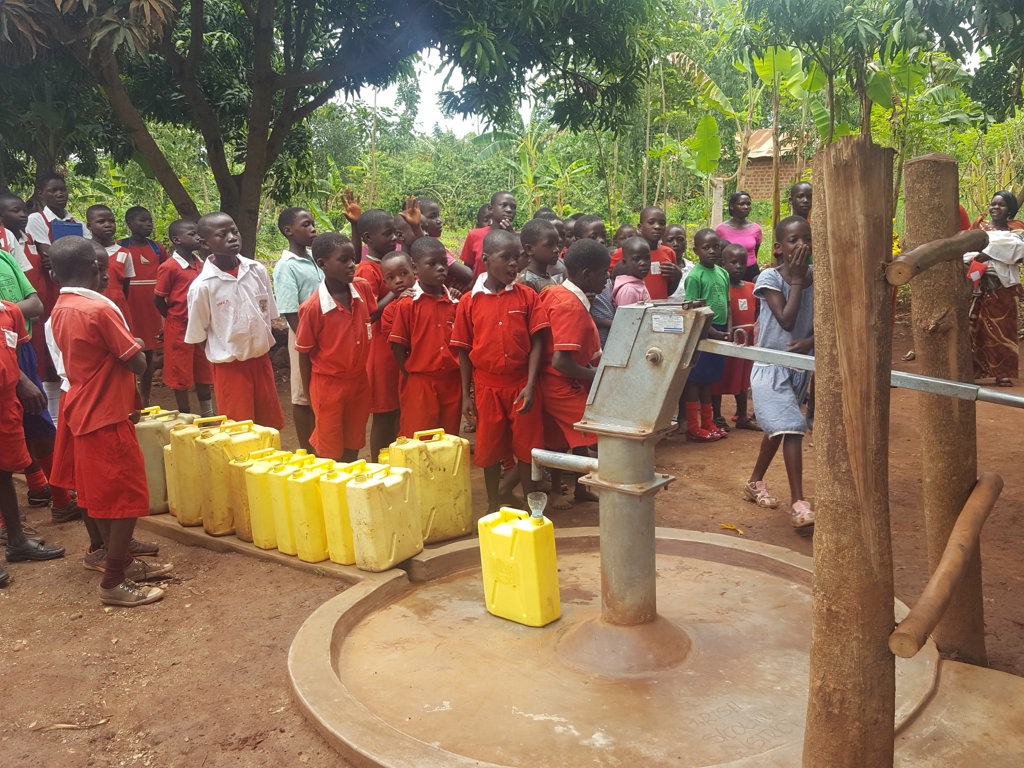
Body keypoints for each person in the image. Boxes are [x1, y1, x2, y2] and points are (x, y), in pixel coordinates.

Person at [49, 236, 171, 605]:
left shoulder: (61, 307)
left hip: (83, 409)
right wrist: (135, 345)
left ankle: (122, 564)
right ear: (94, 267)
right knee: (126, 497)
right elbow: (138, 362)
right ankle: (114, 581)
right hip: (106, 414)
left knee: (101, 496)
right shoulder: (97, 310)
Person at [452, 229, 548, 510]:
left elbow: (538, 341)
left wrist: (530, 385)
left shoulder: (527, 297)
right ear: (485, 259)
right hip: (487, 387)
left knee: (528, 449)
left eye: (516, 257)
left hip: (521, 384)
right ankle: (494, 502)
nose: (513, 264)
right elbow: (463, 350)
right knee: (490, 448)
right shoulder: (469, 302)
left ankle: (531, 505)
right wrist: (467, 395)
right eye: (505, 257)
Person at [745, 216, 815, 529]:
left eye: (806, 239)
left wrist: (809, 342)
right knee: (791, 427)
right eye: (793, 240)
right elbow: (786, 320)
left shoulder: (817, 279)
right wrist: (797, 280)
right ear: (778, 247)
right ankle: (799, 503)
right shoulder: (769, 278)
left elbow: (825, 322)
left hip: (799, 369)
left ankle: (753, 481)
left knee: (778, 429)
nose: (801, 245)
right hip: (769, 368)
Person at [185, 212, 284, 429]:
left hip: (261, 361)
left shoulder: (257, 270)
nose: (232, 237)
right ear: (205, 243)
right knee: (239, 429)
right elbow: (199, 335)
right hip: (229, 368)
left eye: (234, 231)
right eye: (222, 235)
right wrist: (226, 349)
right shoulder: (203, 286)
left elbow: (267, 315)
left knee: (269, 426)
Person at [538, 238, 609, 509]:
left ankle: (579, 487)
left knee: (564, 437)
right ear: (586, 274)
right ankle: (568, 487)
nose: (607, 278)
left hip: (559, 380)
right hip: (559, 383)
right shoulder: (569, 306)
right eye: (604, 273)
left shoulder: (556, 292)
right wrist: (596, 375)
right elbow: (561, 362)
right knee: (589, 429)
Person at [0, 296, 65, 586]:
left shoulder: (9, 311)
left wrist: (22, 381)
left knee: (3, 471)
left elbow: (13, 354)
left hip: (6, 402)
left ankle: (16, 541)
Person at [295, 233, 375, 462]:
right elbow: (304, 354)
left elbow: (369, 317)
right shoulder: (313, 308)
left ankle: (350, 480)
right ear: (323, 264)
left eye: (353, 259)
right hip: (328, 386)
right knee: (329, 449)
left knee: (354, 441)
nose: (352, 265)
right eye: (344, 260)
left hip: (358, 381)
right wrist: (312, 397)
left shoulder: (362, 288)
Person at [390, 237, 462, 437]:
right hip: (419, 382)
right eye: (432, 264)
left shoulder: (456, 303)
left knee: (448, 437)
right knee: (418, 436)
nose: (441, 268)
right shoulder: (407, 305)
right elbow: (398, 346)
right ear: (415, 267)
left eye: (444, 263)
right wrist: (409, 373)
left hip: (451, 381)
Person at [0, 191, 60, 420]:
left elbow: (34, 303)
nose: (23, 215)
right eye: (16, 210)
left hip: (21, 333)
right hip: (9, 333)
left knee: (33, 412)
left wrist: (11, 310)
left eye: (23, 209)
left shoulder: (7, 245)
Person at [350, 207, 402, 459]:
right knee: (384, 413)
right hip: (380, 351)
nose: (394, 238)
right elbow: (367, 314)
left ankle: (394, 461)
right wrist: (395, 292)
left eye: (395, 233)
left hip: (394, 347)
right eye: (387, 233)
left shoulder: (389, 264)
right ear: (368, 238)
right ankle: (379, 465)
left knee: (397, 410)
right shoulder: (367, 271)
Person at [272, 207, 321, 450]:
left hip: (324, 333)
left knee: (318, 388)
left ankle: (321, 445)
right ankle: (306, 449)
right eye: (306, 224)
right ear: (288, 230)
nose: (313, 229)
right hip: (302, 333)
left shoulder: (314, 258)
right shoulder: (286, 266)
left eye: (313, 223)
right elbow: (290, 310)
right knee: (302, 393)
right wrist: (307, 343)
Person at [154, 220, 214, 416]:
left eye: (198, 233)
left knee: (203, 369)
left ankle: (208, 413)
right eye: (192, 234)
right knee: (179, 372)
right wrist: (172, 317)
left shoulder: (201, 264)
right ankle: (185, 414)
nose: (198, 237)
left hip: (200, 325)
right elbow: (158, 298)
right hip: (179, 326)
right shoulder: (170, 267)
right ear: (177, 239)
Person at [968, 191, 1024, 386]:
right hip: (977, 284)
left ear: (1010, 210)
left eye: (1001, 205)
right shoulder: (979, 227)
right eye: (993, 204)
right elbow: (966, 249)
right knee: (974, 328)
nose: (995, 208)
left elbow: (1018, 251)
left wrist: (988, 252)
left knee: (1003, 330)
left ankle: (1002, 373)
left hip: (1003, 288)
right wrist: (996, 251)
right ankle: (972, 372)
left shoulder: (1017, 229)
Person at [680, 229, 730, 442]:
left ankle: (708, 423)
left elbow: (727, 304)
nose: (711, 251)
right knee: (695, 380)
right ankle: (693, 427)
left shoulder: (723, 273)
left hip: (720, 329)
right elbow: (694, 310)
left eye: (715, 246)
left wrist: (727, 330)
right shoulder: (695, 276)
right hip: (701, 331)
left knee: (709, 380)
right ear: (696, 251)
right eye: (706, 247)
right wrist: (714, 332)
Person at [116, 207, 168, 406]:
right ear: (130, 223)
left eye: (150, 221)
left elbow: (166, 273)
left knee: (148, 353)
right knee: (129, 351)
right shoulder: (120, 247)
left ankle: (145, 398)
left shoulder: (157, 248)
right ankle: (130, 396)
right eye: (143, 220)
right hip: (129, 306)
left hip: (151, 308)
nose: (148, 224)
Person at [711, 243, 758, 431]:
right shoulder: (720, 288)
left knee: (743, 378)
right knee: (719, 376)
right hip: (728, 338)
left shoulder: (751, 287)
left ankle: (742, 415)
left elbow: (756, 312)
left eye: (742, 263)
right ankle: (716, 416)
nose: (739, 266)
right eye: (733, 262)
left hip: (746, 341)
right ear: (723, 264)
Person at [610, 206, 681, 299]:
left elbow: (667, 291)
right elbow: (610, 282)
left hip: (660, 307)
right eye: (651, 222)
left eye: (662, 223)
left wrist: (677, 276)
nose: (657, 227)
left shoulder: (669, 252)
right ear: (640, 227)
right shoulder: (624, 252)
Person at [85, 205, 136, 326]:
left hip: (118, 306)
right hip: (90, 305)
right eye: (101, 222)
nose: (108, 225)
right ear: (89, 226)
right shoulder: (83, 250)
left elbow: (126, 286)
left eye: (112, 221)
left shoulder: (124, 253)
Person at [573, 216, 615, 346]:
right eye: (593, 237)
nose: (601, 240)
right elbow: (579, 315)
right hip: (594, 336)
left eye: (603, 236)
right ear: (578, 241)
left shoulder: (602, 266)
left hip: (609, 335)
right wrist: (609, 322)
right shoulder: (579, 274)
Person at [25, 173, 85, 263]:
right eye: (53, 190)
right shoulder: (36, 220)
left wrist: (58, 260)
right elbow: (47, 253)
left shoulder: (78, 223)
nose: (60, 194)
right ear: (40, 194)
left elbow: (90, 252)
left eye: (63, 190)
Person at [417, 197, 474, 291]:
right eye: (432, 216)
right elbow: (468, 274)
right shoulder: (433, 248)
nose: (439, 221)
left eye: (438, 216)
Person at [461, 192, 517, 276]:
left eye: (513, 207)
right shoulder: (474, 235)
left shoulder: (518, 238)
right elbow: (468, 268)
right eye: (504, 205)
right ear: (491, 209)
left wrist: (512, 236)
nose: (509, 210)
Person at [716, 190, 763, 282]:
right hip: (729, 274)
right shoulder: (721, 229)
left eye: (748, 204)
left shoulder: (756, 229)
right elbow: (718, 254)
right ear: (732, 206)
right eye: (741, 204)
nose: (746, 207)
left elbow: (755, 251)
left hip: (751, 272)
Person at [516, 218, 564, 294]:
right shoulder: (526, 281)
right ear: (529, 249)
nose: (556, 249)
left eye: (557, 244)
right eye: (549, 245)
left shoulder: (546, 276)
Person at [612, 236, 652, 307]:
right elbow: (626, 314)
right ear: (625, 262)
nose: (643, 263)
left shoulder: (637, 284)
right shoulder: (629, 290)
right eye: (637, 259)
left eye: (647, 258)